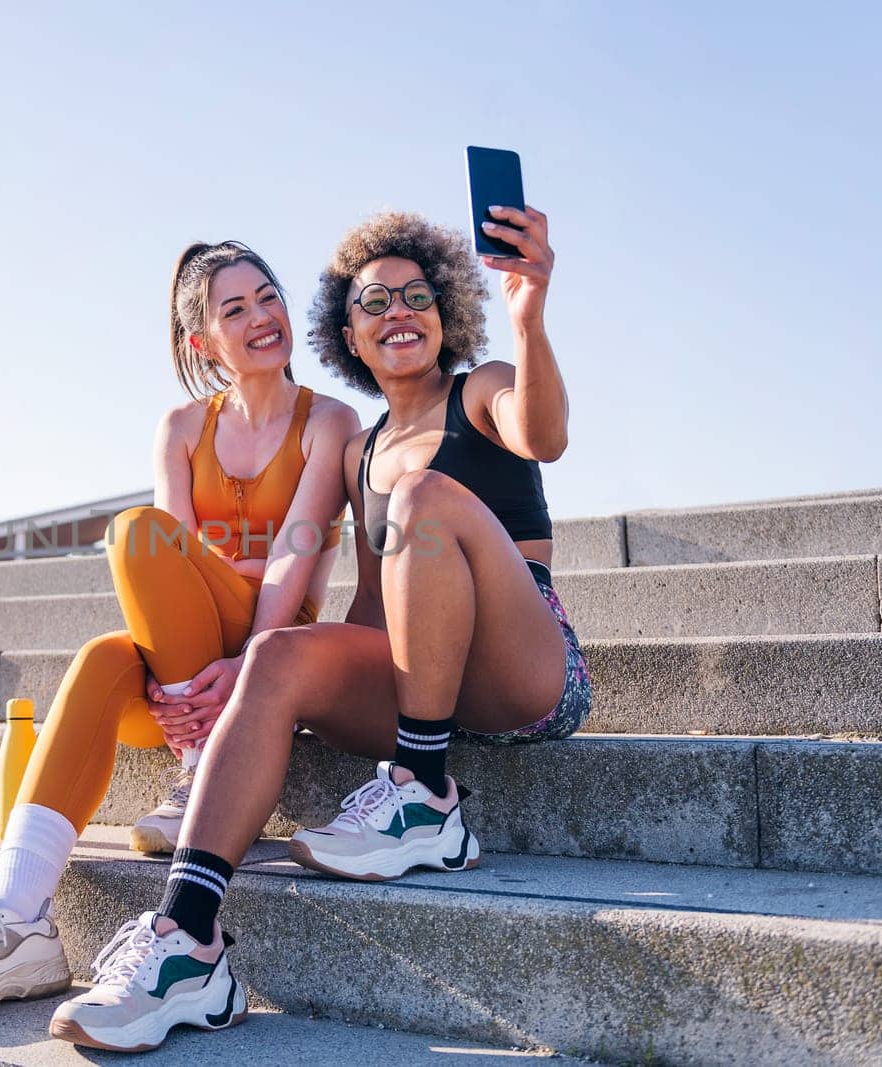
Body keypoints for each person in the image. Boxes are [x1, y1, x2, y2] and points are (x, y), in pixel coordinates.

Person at [49, 207, 589, 1052]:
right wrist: (273, 685)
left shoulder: (481, 390)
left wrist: (529, 316)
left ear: (447, 312)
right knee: (277, 653)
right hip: (430, 688)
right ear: (348, 333)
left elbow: (546, 436)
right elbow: (377, 612)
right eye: (376, 301)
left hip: (528, 667)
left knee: (423, 500)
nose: (399, 311)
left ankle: (426, 800)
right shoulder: (358, 449)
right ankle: (186, 940)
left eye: (418, 295)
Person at [0, 241, 358, 1024]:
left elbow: (289, 569)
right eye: (234, 309)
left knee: (141, 537)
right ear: (204, 342)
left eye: (268, 297)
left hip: (268, 665)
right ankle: (17, 920)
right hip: (188, 678)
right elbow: (168, 569)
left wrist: (244, 662)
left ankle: (205, 765)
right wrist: (216, 597)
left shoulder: (329, 423)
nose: (261, 317)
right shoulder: (178, 426)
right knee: (108, 646)